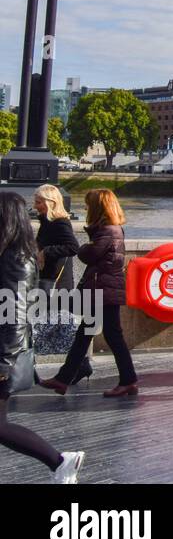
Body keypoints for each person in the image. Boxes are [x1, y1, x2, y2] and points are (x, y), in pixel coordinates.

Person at [0, 191, 84, 482]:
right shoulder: (13, 253)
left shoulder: (16, 260)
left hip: (5, 353)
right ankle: (59, 461)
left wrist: (4, 363)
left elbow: (14, 314)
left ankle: (59, 460)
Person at [40, 189, 138, 398]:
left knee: (111, 335)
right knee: (86, 334)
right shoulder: (111, 230)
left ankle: (128, 380)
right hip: (102, 289)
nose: (85, 208)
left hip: (103, 290)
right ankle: (63, 378)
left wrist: (87, 244)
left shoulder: (107, 232)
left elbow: (87, 254)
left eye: (88, 204)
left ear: (98, 207)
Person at [33, 184, 89, 385]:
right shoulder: (47, 222)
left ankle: (29, 370)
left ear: (50, 202)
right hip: (49, 280)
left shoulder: (60, 223)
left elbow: (72, 247)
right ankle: (81, 364)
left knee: (39, 325)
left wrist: (46, 252)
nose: (35, 205)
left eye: (39, 202)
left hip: (56, 283)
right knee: (59, 325)